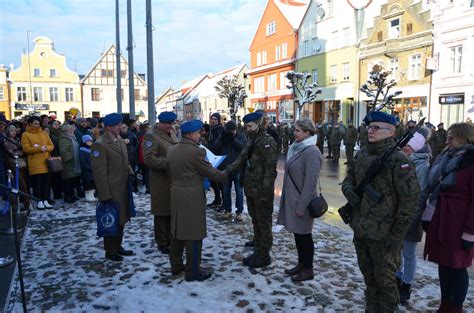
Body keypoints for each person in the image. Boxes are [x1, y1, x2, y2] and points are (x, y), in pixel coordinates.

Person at [341, 111, 419, 312]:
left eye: (376, 128)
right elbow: (349, 179)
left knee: (386, 283)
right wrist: (349, 191)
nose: (370, 131)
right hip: (362, 229)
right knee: (369, 278)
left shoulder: (399, 161)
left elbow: (409, 204)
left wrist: (396, 237)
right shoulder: (363, 154)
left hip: (385, 234)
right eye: (369, 127)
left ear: (391, 132)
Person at [167, 119, 228, 281]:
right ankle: (193, 271)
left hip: (176, 193)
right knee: (194, 233)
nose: (201, 135)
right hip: (191, 195)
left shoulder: (172, 149)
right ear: (192, 134)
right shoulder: (196, 151)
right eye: (199, 133)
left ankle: (176, 266)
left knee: (177, 230)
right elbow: (213, 174)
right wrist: (229, 172)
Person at [423, 123, 474, 313]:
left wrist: (470, 232)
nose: (447, 141)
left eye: (451, 138)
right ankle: (444, 303)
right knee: (444, 264)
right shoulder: (446, 157)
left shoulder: (471, 160)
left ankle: (456, 307)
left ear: (464, 138)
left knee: (458, 266)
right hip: (442, 219)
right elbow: (434, 184)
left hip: (461, 223)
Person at [226, 112, 278, 268]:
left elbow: (270, 171)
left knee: (264, 222)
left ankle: (264, 255)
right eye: (246, 126)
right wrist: (227, 171)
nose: (247, 128)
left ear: (258, 123)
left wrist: (266, 193)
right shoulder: (251, 139)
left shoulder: (267, 142)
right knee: (255, 219)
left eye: (250, 126)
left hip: (262, 191)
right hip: (251, 188)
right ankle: (258, 247)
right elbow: (242, 158)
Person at [277, 118, 322, 282]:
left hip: (303, 201)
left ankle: (308, 269)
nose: (294, 133)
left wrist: (301, 205)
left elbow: (310, 183)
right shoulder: (296, 148)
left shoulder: (312, 152)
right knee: (298, 234)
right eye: (294, 130)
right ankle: (301, 264)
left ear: (307, 132)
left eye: (297, 130)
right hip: (293, 199)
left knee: (305, 236)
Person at [91, 113, 134, 262]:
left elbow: (124, 162)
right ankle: (110, 251)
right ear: (109, 127)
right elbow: (99, 172)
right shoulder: (100, 144)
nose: (120, 127)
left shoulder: (120, 140)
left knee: (122, 218)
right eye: (117, 125)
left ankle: (118, 246)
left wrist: (130, 172)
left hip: (122, 188)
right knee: (111, 220)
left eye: (121, 124)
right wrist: (104, 194)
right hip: (111, 189)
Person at [396, 126, 432, 304]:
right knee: (396, 251)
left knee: (409, 253)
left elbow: (421, 195)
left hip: (412, 217)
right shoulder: (403, 161)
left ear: (415, 148)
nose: (403, 150)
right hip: (397, 214)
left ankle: (406, 285)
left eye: (406, 148)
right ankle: (397, 278)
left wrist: (411, 217)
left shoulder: (422, 166)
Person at [143, 112, 178, 255]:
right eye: (168, 124)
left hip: (172, 180)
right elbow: (149, 159)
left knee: (171, 211)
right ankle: (162, 242)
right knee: (161, 213)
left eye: (172, 124)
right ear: (160, 123)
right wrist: (170, 163)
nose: (171, 126)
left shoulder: (172, 134)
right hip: (160, 181)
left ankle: (170, 239)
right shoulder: (151, 136)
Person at [213, 120, 247, 220]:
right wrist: (222, 139)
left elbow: (243, 148)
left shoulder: (241, 136)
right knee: (226, 191)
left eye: (233, 131)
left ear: (235, 130)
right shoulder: (223, 136)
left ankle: (239, 212)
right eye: (229, 131)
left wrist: (233, 140)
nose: (231, 133)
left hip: (238, 168)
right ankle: (228, 210)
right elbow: (215, 148)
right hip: (226, 169)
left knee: (239, 191)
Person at [21, 116, 54, 210]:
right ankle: (39, 201)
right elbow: (26, 149)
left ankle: (46, 200)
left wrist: (45, 148)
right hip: (35, 163)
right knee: (37, 183)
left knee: (46, 183)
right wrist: (39, 148)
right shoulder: (25, 134)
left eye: (38, 123)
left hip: (46, 161)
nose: (37, 125)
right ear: (30, 123)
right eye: (35, 123)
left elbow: (51, 146)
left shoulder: (44, 133)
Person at [3, 125, 30, 210]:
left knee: (26, 183)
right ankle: (27, 204)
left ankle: (25, 202)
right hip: (14, 164)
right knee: (22, 185)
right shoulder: (6, 141)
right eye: (11, 131)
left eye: (15, 130)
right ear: (8, 132)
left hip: (22, 164)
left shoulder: (18, 140)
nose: (14, 132)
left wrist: (20, 152)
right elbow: (12, 153)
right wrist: (21, 152)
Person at [59, 124, 82, 203]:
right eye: (71, 129)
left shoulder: (72, 137)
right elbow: (63, 151)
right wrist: (69, 158)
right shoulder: (63, 139)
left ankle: (72, 195)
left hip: (74, 163)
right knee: (68, 181)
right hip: (68, 163)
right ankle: (68, 197)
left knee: (72, 181)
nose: (73, 130)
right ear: (67, 131)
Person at [207, 112, 225, 208]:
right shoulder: (211, 130)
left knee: (220, 181)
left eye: (215, 119)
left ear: (218, 121)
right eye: (212, 119)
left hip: (219, 158)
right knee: (213, 180)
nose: (213, 121)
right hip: (211, 157)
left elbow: (219, 144)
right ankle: (217, 199)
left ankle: (225, 202)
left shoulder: (221, 130)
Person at [79, 134, 97, 203]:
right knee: (87, 183)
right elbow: (82, 161)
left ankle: (92, 195)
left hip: (92, 169)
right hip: (87, 170)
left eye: (90, 141)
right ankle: (88, 196)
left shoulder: (91, 149)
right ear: (84, 142)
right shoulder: (82, 150)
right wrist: (88, 167)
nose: (90, 143)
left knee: (92, 183)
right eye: (88, 141)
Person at [48, 120, 63, 200]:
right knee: (54, 177)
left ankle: (60, 192)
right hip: (54, 156)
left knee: (59, 176)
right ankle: (57, 194)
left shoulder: (59, 133)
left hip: (59, 156)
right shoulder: (50, 134)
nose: (57, 126)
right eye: (55, 124)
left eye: (58, 124)